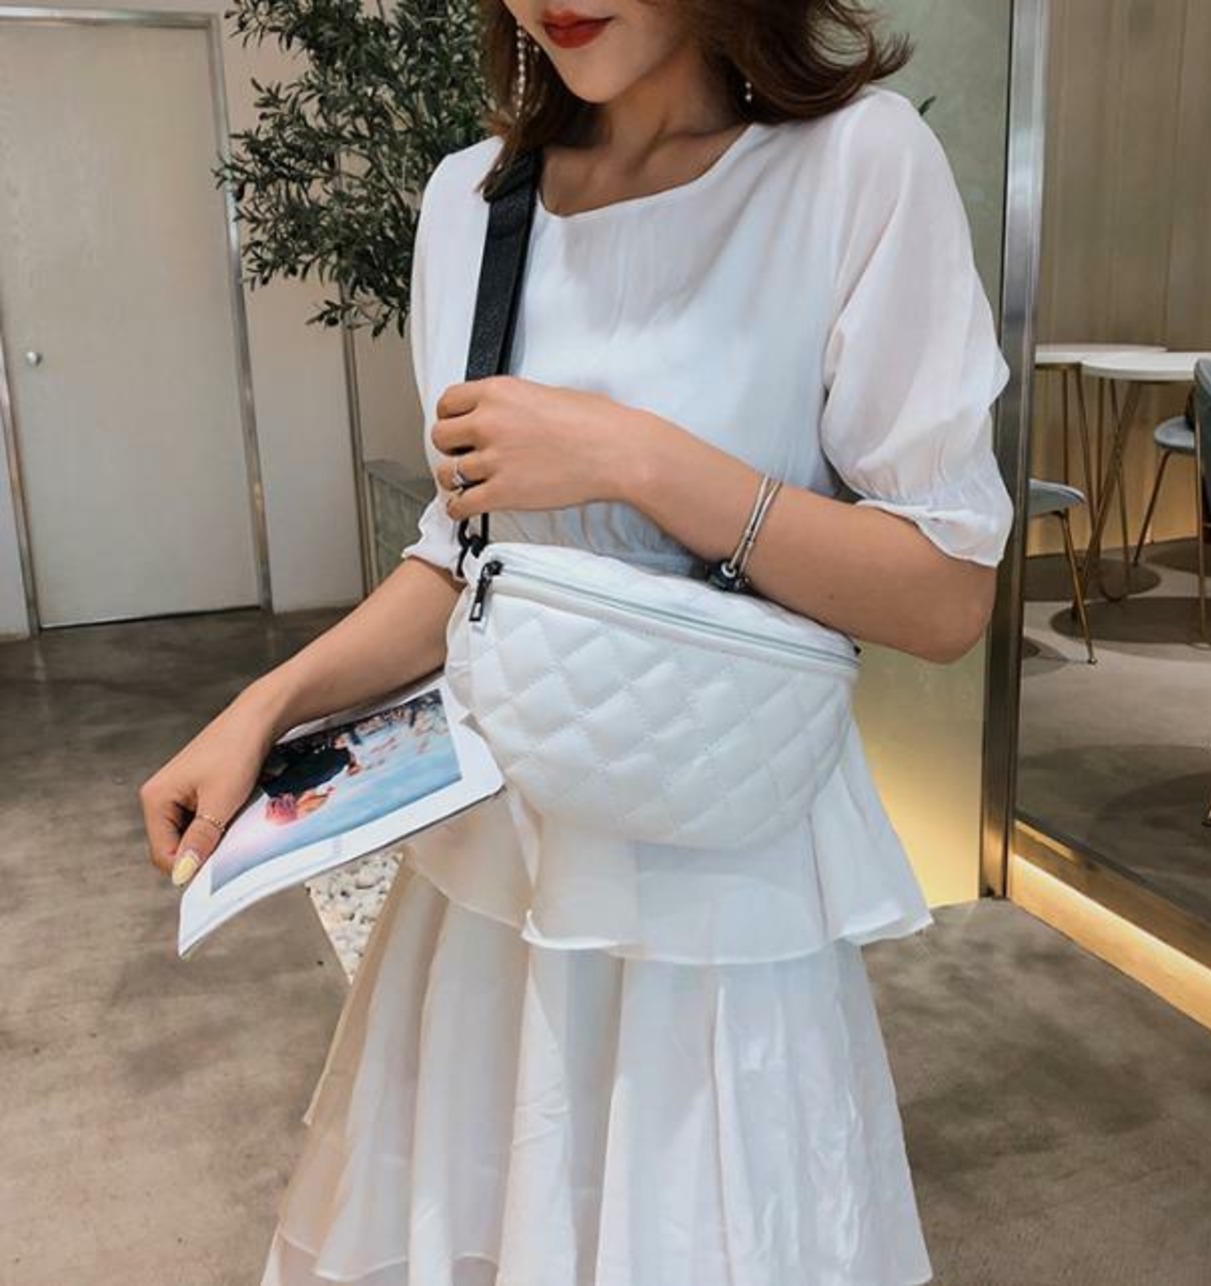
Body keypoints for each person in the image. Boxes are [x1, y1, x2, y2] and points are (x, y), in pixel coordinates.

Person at [139, 1, 1015, 1281]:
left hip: (718, 913)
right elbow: (467, 556)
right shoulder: (473, 204)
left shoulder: (851, 168)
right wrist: (264, 707)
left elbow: (942, 594)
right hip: (490, 890)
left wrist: (636, 458)